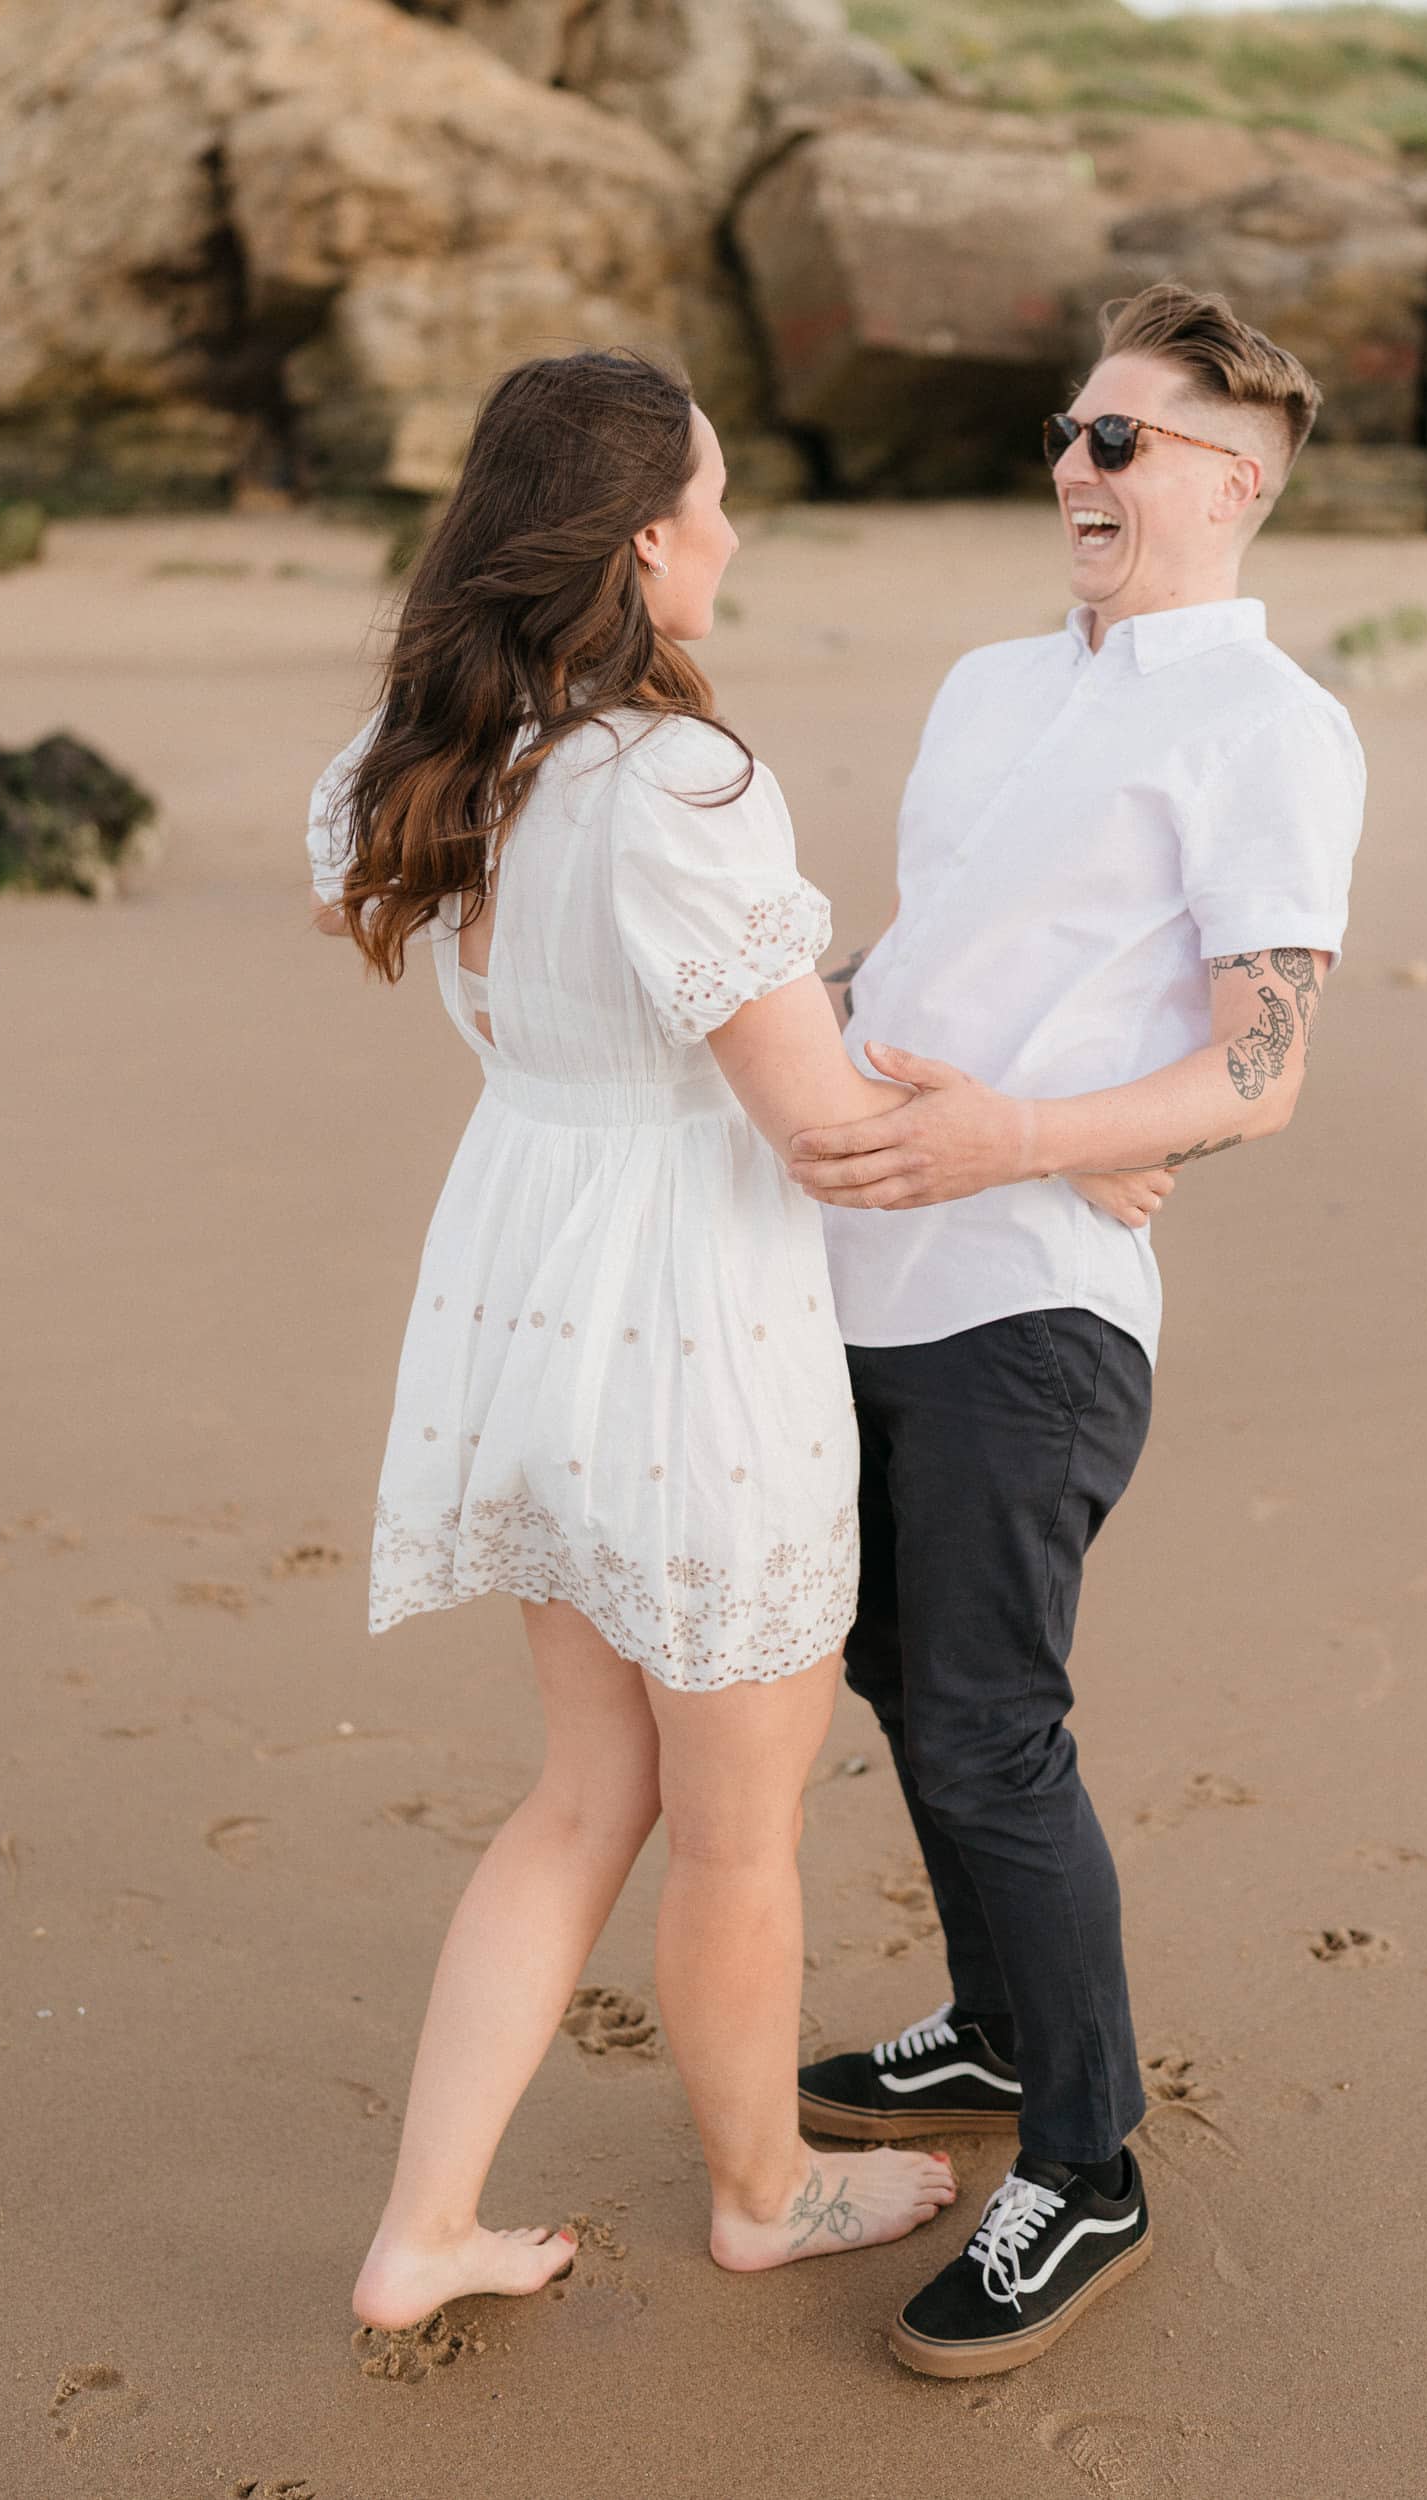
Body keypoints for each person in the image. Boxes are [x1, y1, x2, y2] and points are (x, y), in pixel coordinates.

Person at [304, 349, 967, 2332]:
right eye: (714, 499)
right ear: (642, 543)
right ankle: (764, 2192)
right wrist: (1049, 1139)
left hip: (528, 1296)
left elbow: (613, 995)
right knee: (736, 1828)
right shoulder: (678, 783)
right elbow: (821, 1130)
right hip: (690, 1328)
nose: (733, 533)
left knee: (589, 1788)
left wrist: (781, 1003)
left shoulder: (432, 757)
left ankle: (424, 2228)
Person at [790, 283, 1367, 2378]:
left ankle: (1085, 2155)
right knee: (887, 1669)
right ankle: (995, 2021)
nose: (1071, 468)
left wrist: (1030, 1138)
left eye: (1117, 442)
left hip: (1029, 1305)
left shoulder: (1270, 726)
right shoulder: (985, 684)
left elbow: (1259, 1066)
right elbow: (927, 958)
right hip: (850, 1268)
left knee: (981, 1718)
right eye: (1065, 430)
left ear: (1230, 483)